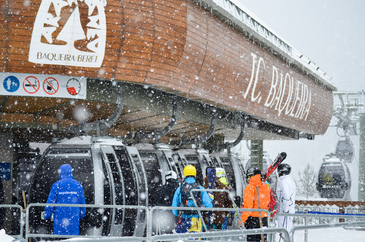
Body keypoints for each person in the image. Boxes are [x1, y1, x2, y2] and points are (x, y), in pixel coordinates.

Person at [44, 164, 86, 235]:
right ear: (71, 172)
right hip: (74, 219)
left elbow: (50, 203)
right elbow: (82, 204)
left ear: (61, 173)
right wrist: (81, 216)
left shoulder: (56, 185)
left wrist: (47, 215)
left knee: (60, 238)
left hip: (59, 221)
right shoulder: (78, 185)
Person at [171, 165, 213, 234]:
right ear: (195, 175)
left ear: (184, 174)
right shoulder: (200, 188)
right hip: (196, 219)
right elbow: (209, 206)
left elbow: (174, 208)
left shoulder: (180, 189)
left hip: (184, 219)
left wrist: (176, 215)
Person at [240, 167, 271, 242]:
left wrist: (242, 220)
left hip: (252, 219)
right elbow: (268, 202)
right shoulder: (266, 187)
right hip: (264, 219)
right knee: (262, 239)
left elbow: (248, 207)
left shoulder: (249, 188)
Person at [277, 163, 296, 239]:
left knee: (284, 232)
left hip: (285, 211)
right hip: (290, 209)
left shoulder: (283, 181)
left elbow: (286, 195)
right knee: (288, 231)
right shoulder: (290, 181)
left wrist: (285, 209)